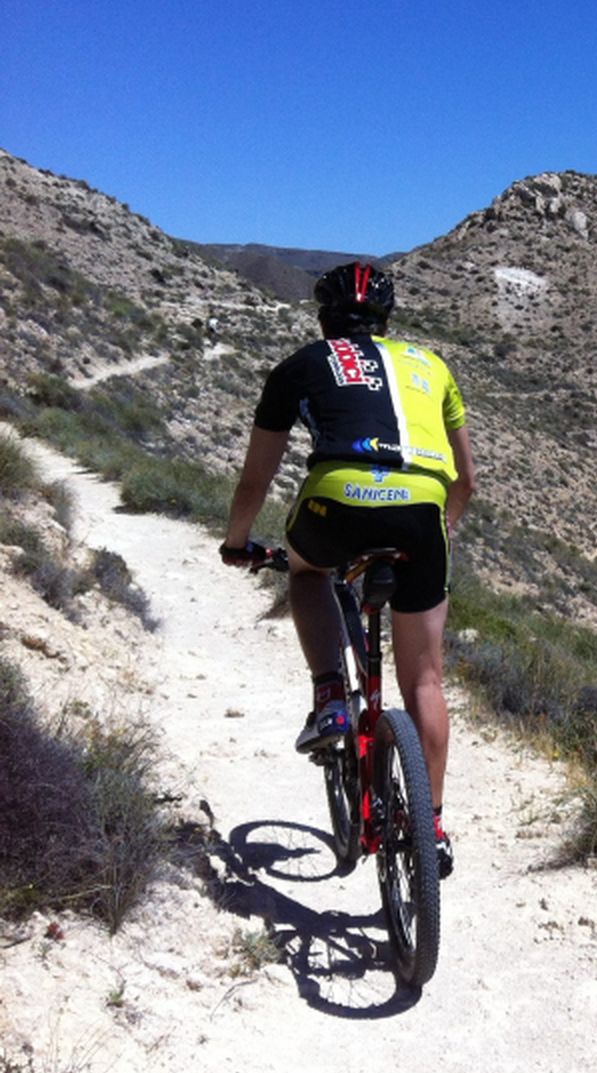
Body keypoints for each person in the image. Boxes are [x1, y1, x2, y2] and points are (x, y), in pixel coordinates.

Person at [220, 262, 476, 877]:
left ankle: (331, 692)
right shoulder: (433, 367)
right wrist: (439, 529)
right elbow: (467, 481)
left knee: (308, 573)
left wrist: (237, 542)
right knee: (425, 683)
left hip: (334, 503)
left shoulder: (299, 367)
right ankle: (431, 828)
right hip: (421, 512)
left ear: (323, 318)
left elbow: (256, 477)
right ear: (387, 319)